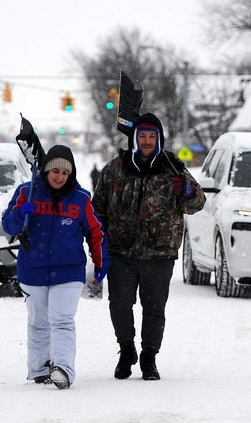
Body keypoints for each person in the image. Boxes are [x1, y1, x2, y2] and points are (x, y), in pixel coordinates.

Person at [92, 113, 205, 381]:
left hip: (160, 253)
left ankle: (149, 357)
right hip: (121, 251)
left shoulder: (172, 167)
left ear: (159, 139)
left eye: (151, 136)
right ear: (134, 138)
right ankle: (127, 350)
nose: (146, 141)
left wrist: (187, 191)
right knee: (119, 305)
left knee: (154, 309)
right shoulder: (115, 169)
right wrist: (97, 242)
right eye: (142, 135)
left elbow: (197, 203)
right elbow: (97, 209)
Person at [2, 145, 110, 389]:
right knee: (38, 322)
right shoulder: (26, 193)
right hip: (32, 270)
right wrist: (20, 213)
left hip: (69, 271)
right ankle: (39, 368)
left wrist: (100, 263)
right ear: (46, 171)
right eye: (55, 171)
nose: (59, 176)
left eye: (65, 172)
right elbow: (8, 227)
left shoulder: (81, 199)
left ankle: (63, 369)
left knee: (62, 320)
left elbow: (95, 233)